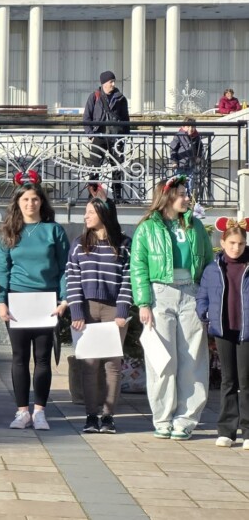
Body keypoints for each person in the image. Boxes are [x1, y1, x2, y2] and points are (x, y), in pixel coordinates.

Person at [130, 175, 211, 440]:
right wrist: (143, 302)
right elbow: (138, 265)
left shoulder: (196, 226)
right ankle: (163, 418)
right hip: (159, 293)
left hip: (191, 291)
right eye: (182, 194)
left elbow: (208, 262)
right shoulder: (147, 228)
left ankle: (186, 419)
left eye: (187, 194)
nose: (187, 198)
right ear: (168, 196)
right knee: (161, 360)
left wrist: (206, 299)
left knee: (193, 359)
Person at [0, 176, 69, 430]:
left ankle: (39, 411)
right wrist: (1, 301)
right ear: (17, 202)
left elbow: (64, 268)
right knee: (19, 357)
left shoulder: (53, 230)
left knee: (43, 358)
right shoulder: (8, 233)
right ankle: (21, 411)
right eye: (25, 199)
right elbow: (1, 269)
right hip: (17, 299)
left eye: (35, 199)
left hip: (46, 301)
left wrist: (64, 298)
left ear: (41, 202)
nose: (30, 203)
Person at [66, 197, 132, 434]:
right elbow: (72, 279)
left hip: (114, 310)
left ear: (104, 214)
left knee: (112, 365)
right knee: (90, 364)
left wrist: (123, 312)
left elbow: (129, 279)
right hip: (87, 310)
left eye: (91, 212)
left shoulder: (124, 244)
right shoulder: (79, 244)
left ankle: (108, 417)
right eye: (86, 211)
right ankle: (91, 416)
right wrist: (76, 311)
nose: (86, 216)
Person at [197, 222, 249, 448]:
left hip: (246, 331)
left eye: (240, 244)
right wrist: (205, 313)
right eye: (232, 243)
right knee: (228, 380)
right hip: (224, 329)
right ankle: (226, 430)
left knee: (246, 381)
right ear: (223, 243)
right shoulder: (213, 268)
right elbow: (203, 295)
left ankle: (248, 431)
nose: (236, 248)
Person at [83, 70, 131, 199]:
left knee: (117, 166)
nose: (113, 84)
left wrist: (125, 137)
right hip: (99, 136)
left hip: (116, 137)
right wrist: (90, 135)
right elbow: (87, 118)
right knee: (94, 167)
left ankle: (117, 196)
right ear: (104, 83)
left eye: (113, 81)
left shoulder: (121, 98)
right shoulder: (94, 97)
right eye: (111, 81)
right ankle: (92, 195)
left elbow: (126, 119)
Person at [170, 117, 204, 199]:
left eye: (193, 127)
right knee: (179, 184)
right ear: (184, 127)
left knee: (191, 184)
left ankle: (189, 199)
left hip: (191, 165)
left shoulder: (196, 136)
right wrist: (174, 161)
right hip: (180, 165)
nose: (191, 129)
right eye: (188, 127)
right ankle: (178, 199)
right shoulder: (179, 135)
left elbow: (200, 148)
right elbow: (173, 149)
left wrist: (198, 157)